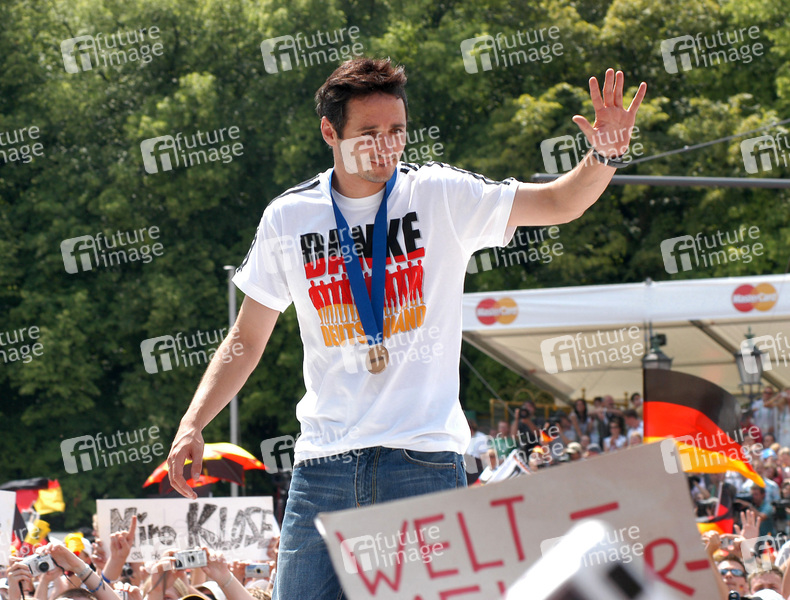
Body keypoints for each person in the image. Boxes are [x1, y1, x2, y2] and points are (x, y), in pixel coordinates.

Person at [166, 57, 646, 598]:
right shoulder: (289, 217)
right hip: (323, 465)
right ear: (329, 132)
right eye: (369, 133)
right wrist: (193, 422)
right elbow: (247, 338)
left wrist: (604, 154)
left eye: (397, 130)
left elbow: (560, 201)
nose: (387, 146)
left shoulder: (439, 193)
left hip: (422, 460)